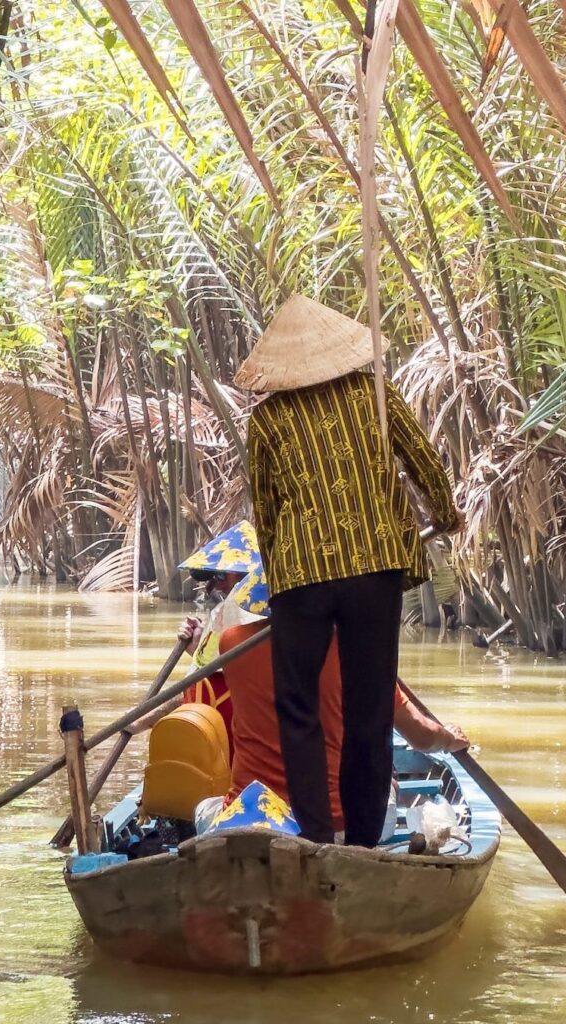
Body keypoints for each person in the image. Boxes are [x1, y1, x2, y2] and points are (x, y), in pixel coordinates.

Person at [235, 294, 464, 847]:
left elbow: (265, 512)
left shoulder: (266, 420)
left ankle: (316, 838)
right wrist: (446, 515)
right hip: (374, 569)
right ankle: (361, 843)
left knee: (298, 706)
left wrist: (282, 571)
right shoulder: (375, 396)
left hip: (302, 578)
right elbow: (425, 462)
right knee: (369, 708)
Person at [195, 567, 468, 838]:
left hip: (249, 817)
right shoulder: (360, 654)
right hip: (334, 825)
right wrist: (447, 739)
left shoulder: (231, 643)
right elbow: (420, 735)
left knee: (203, 808)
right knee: (388, 787)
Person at [128, 521, 261, 750]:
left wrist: (142, 720)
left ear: (246, 576)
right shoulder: (233, 616)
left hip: (237, 732)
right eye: (214, 579)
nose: (217, 587)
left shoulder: (238, 612)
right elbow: (215, 668)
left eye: (222, 577)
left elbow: (200, 685)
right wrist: (199, 646)